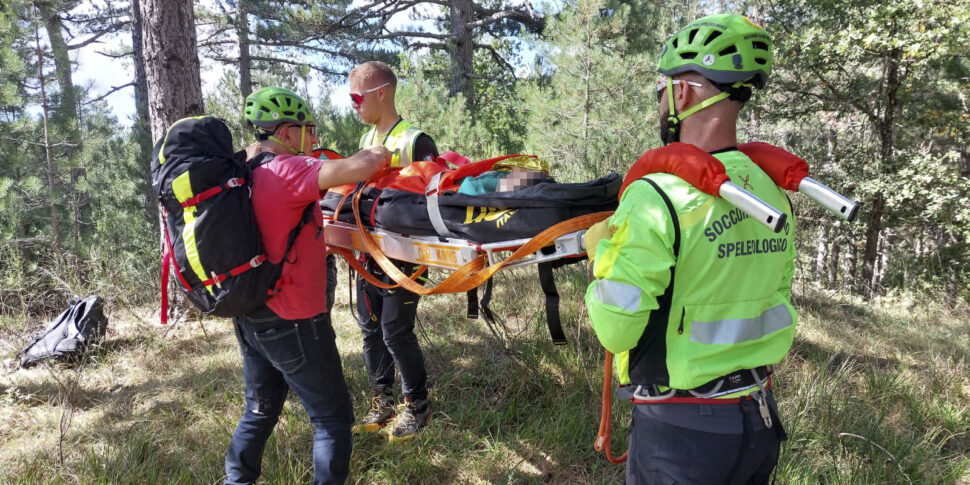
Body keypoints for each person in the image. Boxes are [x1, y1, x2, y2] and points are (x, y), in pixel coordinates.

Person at [584, 14, 795, 484]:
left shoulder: (655, 195)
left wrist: (604, 259)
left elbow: (616, 330)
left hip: (681, 433)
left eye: (662, 89)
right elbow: (775, 291)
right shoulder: (769, 190)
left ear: (681, 93)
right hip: (757, 420)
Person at [225, 86, 390, 485]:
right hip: (295, 318)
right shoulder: (290, 169)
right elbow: (363, 166)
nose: (314, 139)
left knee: (260, 409)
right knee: (332, 419)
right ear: (285, 133)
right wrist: (383, 149)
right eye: (308, 130)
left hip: (252, 311)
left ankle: (237, 481)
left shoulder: (243, 167)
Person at [347, 61, 438, 442]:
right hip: (367, 254)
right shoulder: (366, 142)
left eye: (356, 97)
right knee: (370, 329)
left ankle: (416, 405)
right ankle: (381, 400)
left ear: (380, 93)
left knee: (395, 332)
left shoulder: (416, 140)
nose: (353, 105)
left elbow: (433, 205)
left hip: (404, 258)